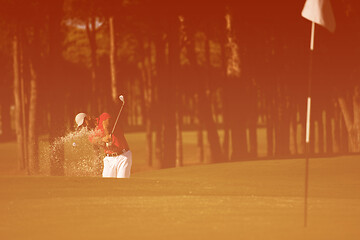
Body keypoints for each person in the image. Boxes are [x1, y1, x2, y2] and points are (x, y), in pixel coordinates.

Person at [95, 112, 132, 178]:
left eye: (83, 123)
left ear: (87, 119)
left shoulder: (103, 116)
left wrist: (107, 134)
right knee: (107, 184)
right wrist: (103, 139)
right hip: (109, 159)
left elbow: (106, 123)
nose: (84, 126)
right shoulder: (90, 132)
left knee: (122, 183)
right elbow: (94, 140)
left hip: (123, 156)